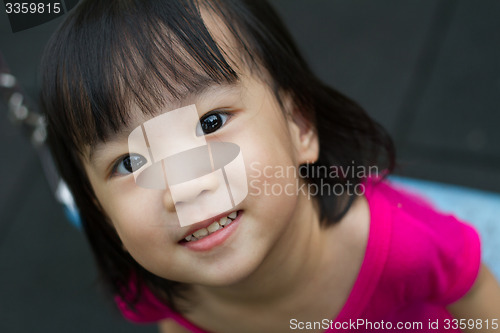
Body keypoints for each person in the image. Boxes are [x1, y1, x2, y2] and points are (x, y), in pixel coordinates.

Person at [39, 0, 500, 332]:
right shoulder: (156, 283)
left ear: (299, 126)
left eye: (211, 122)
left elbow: (475, 291)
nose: (184, 187)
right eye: (130, 162)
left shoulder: (399, 243)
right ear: (97, 207)